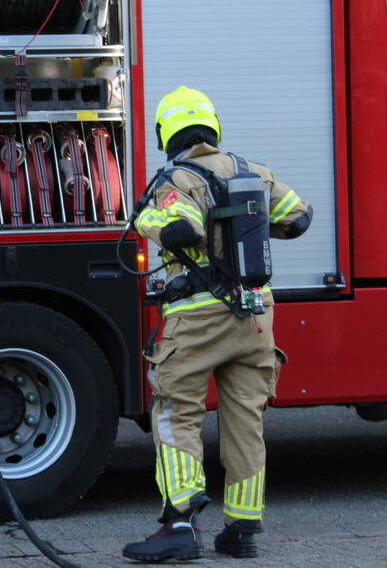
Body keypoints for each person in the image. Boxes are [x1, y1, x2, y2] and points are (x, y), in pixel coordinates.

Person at [122, 87, 313, 562]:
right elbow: (300, 219)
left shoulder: (179, 179)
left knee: (174, 412)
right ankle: (242, 530)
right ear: (213, 127)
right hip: (255, 319)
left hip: (198, 319)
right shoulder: (254, 172)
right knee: (246, 418)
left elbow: (184, 229)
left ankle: (181, 525)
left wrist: (150, 218)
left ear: (169, 133)